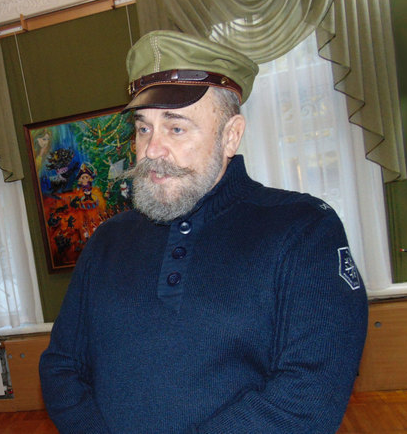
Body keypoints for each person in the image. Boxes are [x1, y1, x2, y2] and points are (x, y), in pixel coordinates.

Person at [39, 30, 368, 434]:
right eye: (143, 129)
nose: (151, 150)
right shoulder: (107, 240)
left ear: (231, 135)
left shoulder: (304, 230)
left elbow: (308, 395)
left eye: (176, 128)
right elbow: (61, 367)